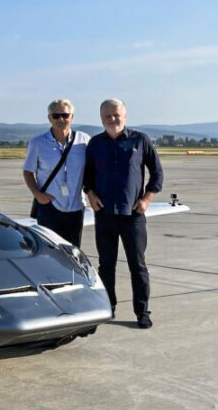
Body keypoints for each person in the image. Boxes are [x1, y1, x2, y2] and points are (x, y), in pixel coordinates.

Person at [83, 98, 163, 329]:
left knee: (137, 265)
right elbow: (87, 175)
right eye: (108, 116)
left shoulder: (141, 140)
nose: (113, 119)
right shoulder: (95, 144)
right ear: (101, 119)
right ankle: (108, 307)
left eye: (117, 115)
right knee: (106, 265)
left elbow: (157, 173)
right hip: (105, 214)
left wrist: (147, 198)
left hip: (133, 215)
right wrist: (90, 193)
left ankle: (142, 311)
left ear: (125, 116)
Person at [23, 99, 90, 247]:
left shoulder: (84, 141)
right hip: (49, 205)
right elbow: (28, 171)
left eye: (65, 115)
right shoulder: (38, 143)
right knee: (49, 252)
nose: (61, 119)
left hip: (76, 206)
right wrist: (37, 194)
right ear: (49, 118)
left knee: (73, 251)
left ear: (72, 117)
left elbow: (93, 171)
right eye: (56, 116)